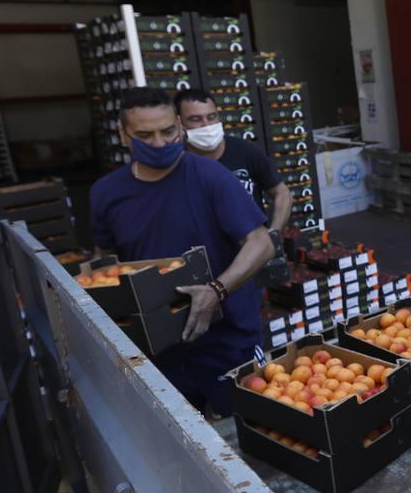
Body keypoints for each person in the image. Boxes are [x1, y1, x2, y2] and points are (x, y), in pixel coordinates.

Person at [90, 87, 275, 416]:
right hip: (157, 349)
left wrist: (217, 290)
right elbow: (105, 262)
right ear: (123, 134)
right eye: (145, 135)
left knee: (251, 428)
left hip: (227, 340)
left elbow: (260, 243)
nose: (160, 143)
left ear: (179, 124)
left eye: (168, 131)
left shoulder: (210, 177)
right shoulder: (107, 194)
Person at [174, 89, 291, 232]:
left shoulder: (245, 151)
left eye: (211, 117)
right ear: (179, 122)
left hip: (254, 245)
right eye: (195, 119)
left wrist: (275, 232)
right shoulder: (177, 161)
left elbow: (282, 192)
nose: (206, 125)